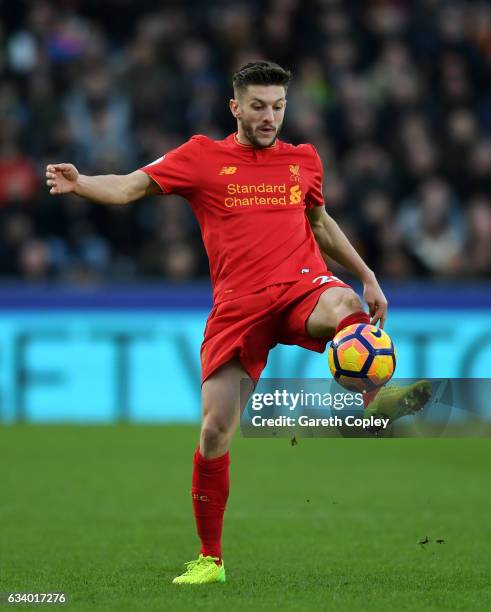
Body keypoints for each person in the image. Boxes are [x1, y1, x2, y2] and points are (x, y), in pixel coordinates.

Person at [46, 61, 429, 585]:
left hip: (301, 288)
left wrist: (366, 275)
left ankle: (369, 393)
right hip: (239, 310)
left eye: (277, 107)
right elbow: (129, 187)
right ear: (236, 107)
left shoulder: (304, 161)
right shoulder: (201, 157)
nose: (269, 117)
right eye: (258, 106)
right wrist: (81, 183)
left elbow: (319, 223)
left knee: (344, 311)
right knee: (213, 432)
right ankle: (210, 560)